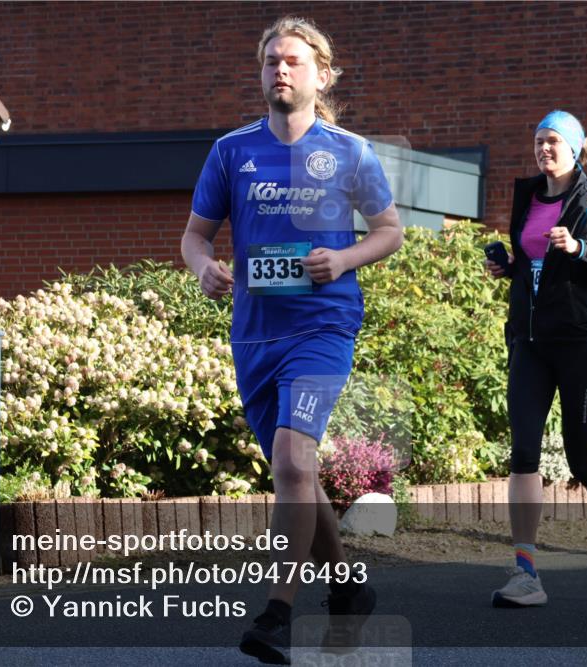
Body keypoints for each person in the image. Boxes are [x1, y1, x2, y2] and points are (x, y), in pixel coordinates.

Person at [181, 16, 403, 664]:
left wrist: (344, 259)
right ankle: (347, 586)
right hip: (254, 335)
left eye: (294, 61)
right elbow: (196, 234)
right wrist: (204, 269)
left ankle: (277, 610)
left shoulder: (351, 152)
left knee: (292, 461)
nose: (281, 70)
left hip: (323, 325)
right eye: (271, 61)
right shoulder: (231, 152)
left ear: (321, 74)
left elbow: (390, 231)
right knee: (296, 474)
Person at [485, 110, 587, 607]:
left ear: (575, 148)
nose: (543, 149)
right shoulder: (527, 195)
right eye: (538, 141)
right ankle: (526, 573)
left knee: (580, 456)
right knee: (523, 452)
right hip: (529, 341)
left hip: (579, 341)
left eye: (553, 141)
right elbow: (533, 268)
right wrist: (507, 267)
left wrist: (579, 247)